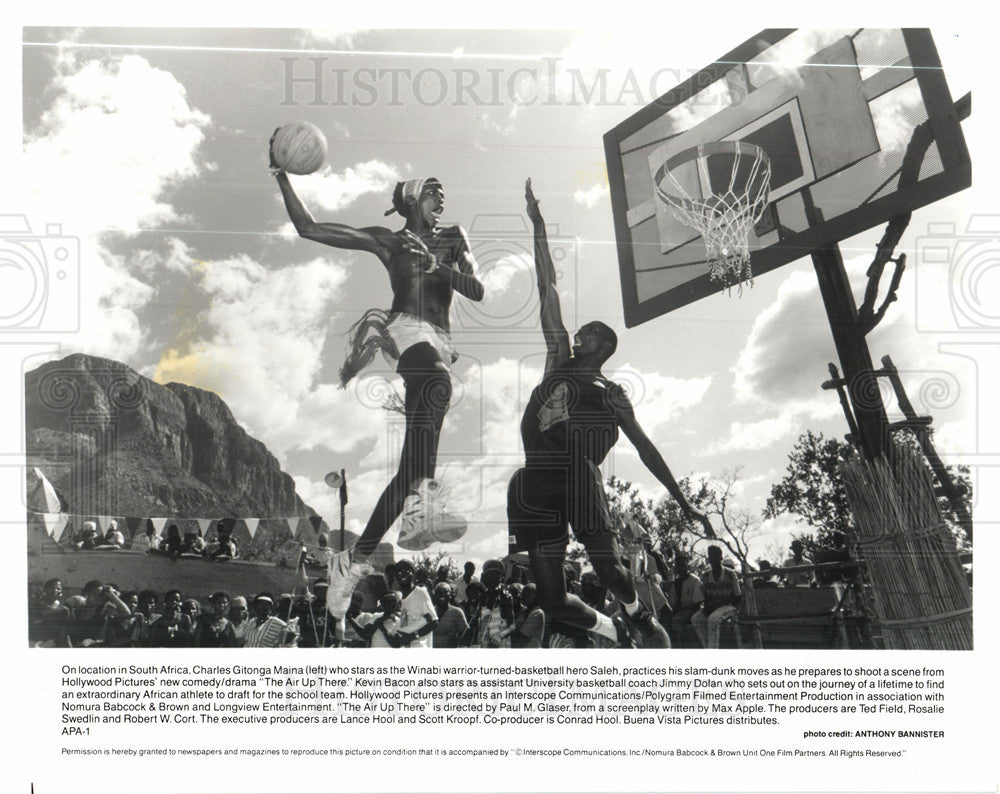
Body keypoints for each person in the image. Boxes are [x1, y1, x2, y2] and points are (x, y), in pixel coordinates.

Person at [271, 142, 485, 622]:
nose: (441, 197)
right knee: (434, 382)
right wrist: (282, 176)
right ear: (410, 200)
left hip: (442, 339)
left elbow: (478, 289)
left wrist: (439, 266)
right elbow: (310, 228)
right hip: (408, 330)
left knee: (412, 461)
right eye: (433, 192)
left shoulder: (452, 237)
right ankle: (421, 501)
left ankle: (354, 559)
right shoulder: (389, 241)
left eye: (443, 193)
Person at [506, 180, 713, 649]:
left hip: (579, 475)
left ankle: (638, 614)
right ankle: (612, 628)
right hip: (537, 476)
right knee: (553, 600)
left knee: (610, 568)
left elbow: (644, 447)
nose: (576, 333)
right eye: (577, 331)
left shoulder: (612, 392)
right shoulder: (558, 358)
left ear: (602, 343)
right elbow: (546, 285)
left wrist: (683, 502)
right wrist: (538, 225)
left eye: (587, 332)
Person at [692, 545, 742, 649]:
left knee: (713, 619)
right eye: (711, 556)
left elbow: (737, 597)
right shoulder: (705, 576)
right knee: (696, 618)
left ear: (721, 557)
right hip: (713, 607)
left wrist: (718, 603)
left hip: (730, 607)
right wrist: (707, 607)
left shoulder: (730, 574)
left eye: (716, 556)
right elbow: (706, 598)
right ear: (708, 559)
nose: (713, 559)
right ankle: (709, 648)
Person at [392, 559, 438, 648]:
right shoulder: (397, 597)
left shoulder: (420, 592)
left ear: (414, 574)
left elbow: (434, 622)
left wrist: (412, 637)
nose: (402, 574)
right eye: (399, 572)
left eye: (406, 571)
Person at [665, 555, 704, 647]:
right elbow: (673, 602)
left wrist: (681, 609)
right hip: (680, 611)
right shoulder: (676, 583)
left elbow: (698, 603)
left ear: (688, 567)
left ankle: (681, 647)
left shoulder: (694, 580)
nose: (681, 568)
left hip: (693, 610)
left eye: (683, 565)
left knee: (676, 620)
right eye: (678, 566)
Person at [431, 582, 469, 648]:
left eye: (445, 592)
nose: (441, 595)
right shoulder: (430, 611)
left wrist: (455, 640)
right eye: (438, 592)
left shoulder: (457, 612)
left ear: (450, 595)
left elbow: (466, 634)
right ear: (435, 595)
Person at [511, 583, 546, 649]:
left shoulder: (538, 613)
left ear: (535, 596)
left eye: (528, 594)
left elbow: (522, 636)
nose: (523, 596)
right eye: (523, 593)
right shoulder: (525, 610)